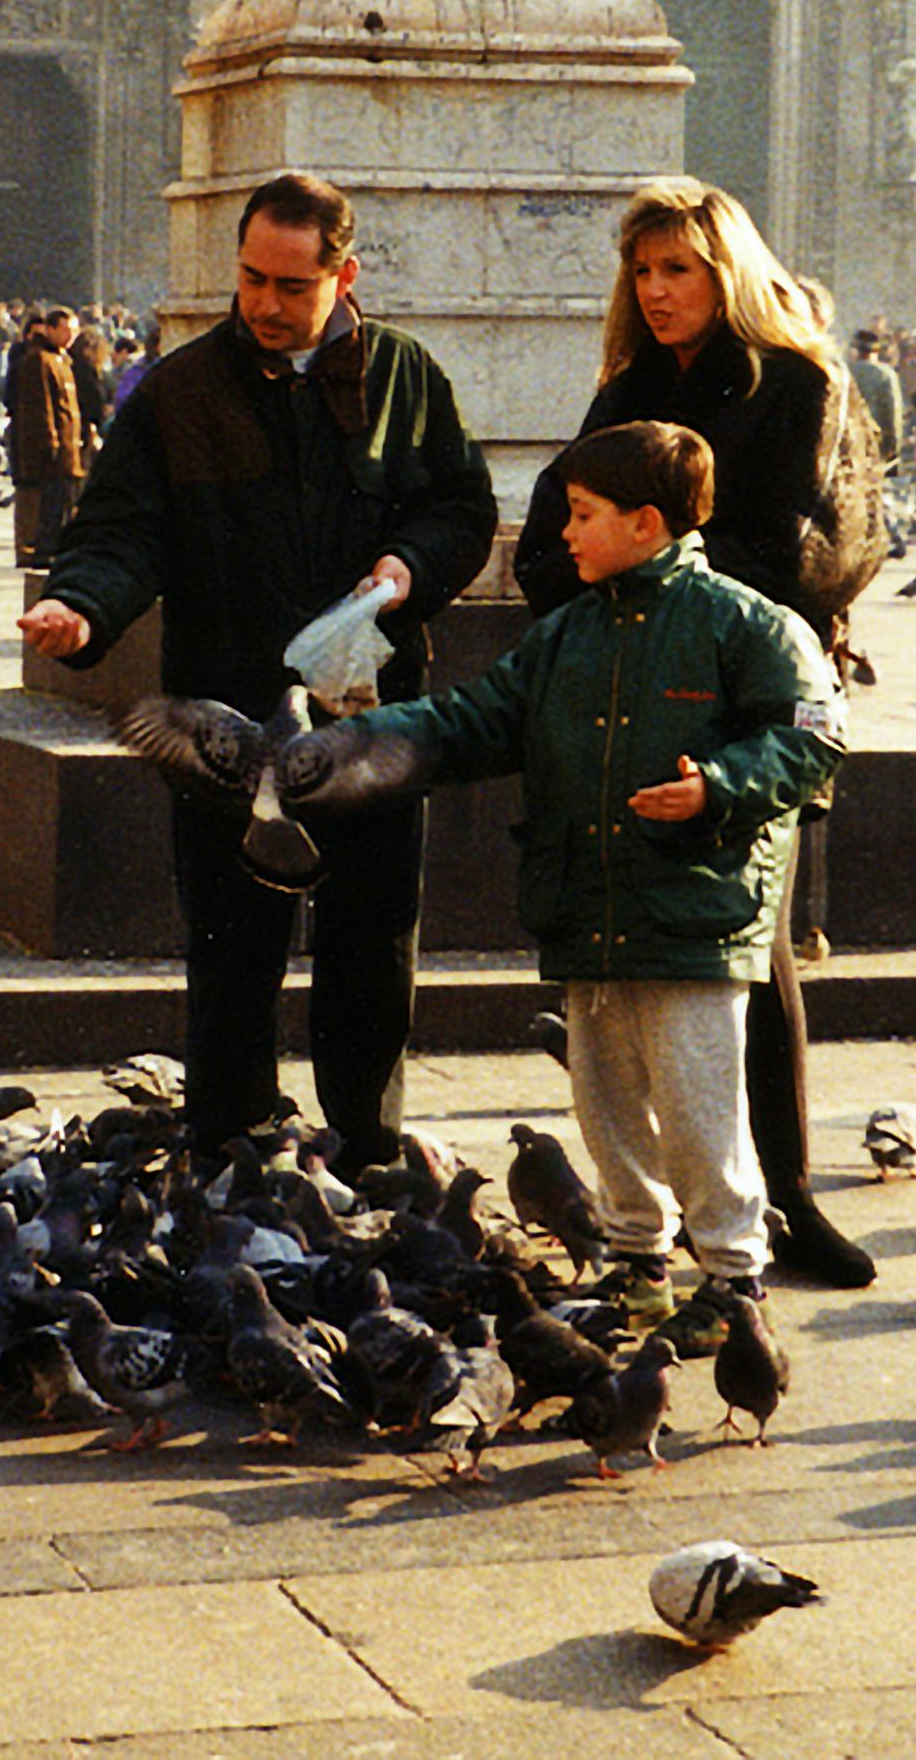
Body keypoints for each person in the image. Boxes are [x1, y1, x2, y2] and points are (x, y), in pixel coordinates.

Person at [311, 420, 843, 1346]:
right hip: (586, 908)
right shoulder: (565, 636)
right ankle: (640, 1258)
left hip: (694, 911)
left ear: (647, 523)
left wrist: (716, 788)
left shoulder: (748, 625)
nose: (563, 533)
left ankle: (733, 1274)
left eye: (583, 515)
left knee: (698, 1107)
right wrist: (360, 744)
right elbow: (473, 719)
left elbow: (812, 739)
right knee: (605, 1102)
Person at [18, 172, 496, 1175]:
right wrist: (83, 604)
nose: (267, 305)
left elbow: (459, 505)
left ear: (344, 275)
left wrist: (411, 565)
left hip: (368, 722)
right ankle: (230, 1144)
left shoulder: (407, 378)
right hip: (229, 719)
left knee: (373, 941)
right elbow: (120, 529)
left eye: (292, 285)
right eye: (251, 279)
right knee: (232, 946)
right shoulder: (182, 391)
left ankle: (366, 1143)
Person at [511, 177, 888, 1289]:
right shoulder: (625, 388)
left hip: (744, 706)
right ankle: (658, 1210)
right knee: (645, 955)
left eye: (679, 268)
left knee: (754, 951)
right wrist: (589, 610)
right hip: (620, 695)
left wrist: (677, 607)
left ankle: (787, 1197)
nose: (659, 289)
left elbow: (814, 549)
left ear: (727, 272)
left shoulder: (797, 383)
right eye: (643, 270)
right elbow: (551, 532)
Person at [4, 308, 87, 567]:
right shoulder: (39, 361)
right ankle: (45, 553)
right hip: (54, 451)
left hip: (67, 448)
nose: (70, 336)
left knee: (64, 505)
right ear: (50, 329)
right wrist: (49, 444)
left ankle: (57, 550)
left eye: (74, 330)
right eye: (65, 330)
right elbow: (41, 409)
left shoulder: (62, 359)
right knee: (51, 508)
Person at [847, 329, 903, 468]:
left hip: (847, 441)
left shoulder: (842, 372)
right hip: (875, 441)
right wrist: (893, 449)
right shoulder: (886, 374)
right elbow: (893, 413)